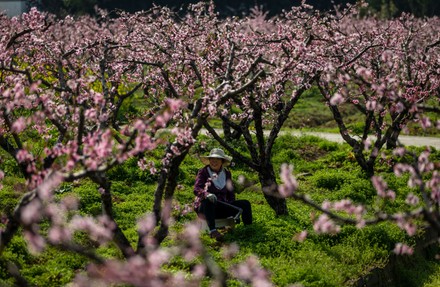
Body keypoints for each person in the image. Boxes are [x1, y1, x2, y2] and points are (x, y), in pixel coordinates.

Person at [193, 148, 252, 240]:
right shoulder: (203, 172)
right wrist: (206, 194)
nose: (214, 162)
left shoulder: (227, 173)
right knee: (208, 201)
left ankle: (248, 229)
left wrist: (232, 207)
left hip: (222, 206)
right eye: (212, 159)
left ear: (222, 161)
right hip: (206, 209)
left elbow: (230, 192)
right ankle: (213, 231)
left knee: (245, 203)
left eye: (217, 159)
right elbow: (197, 189)